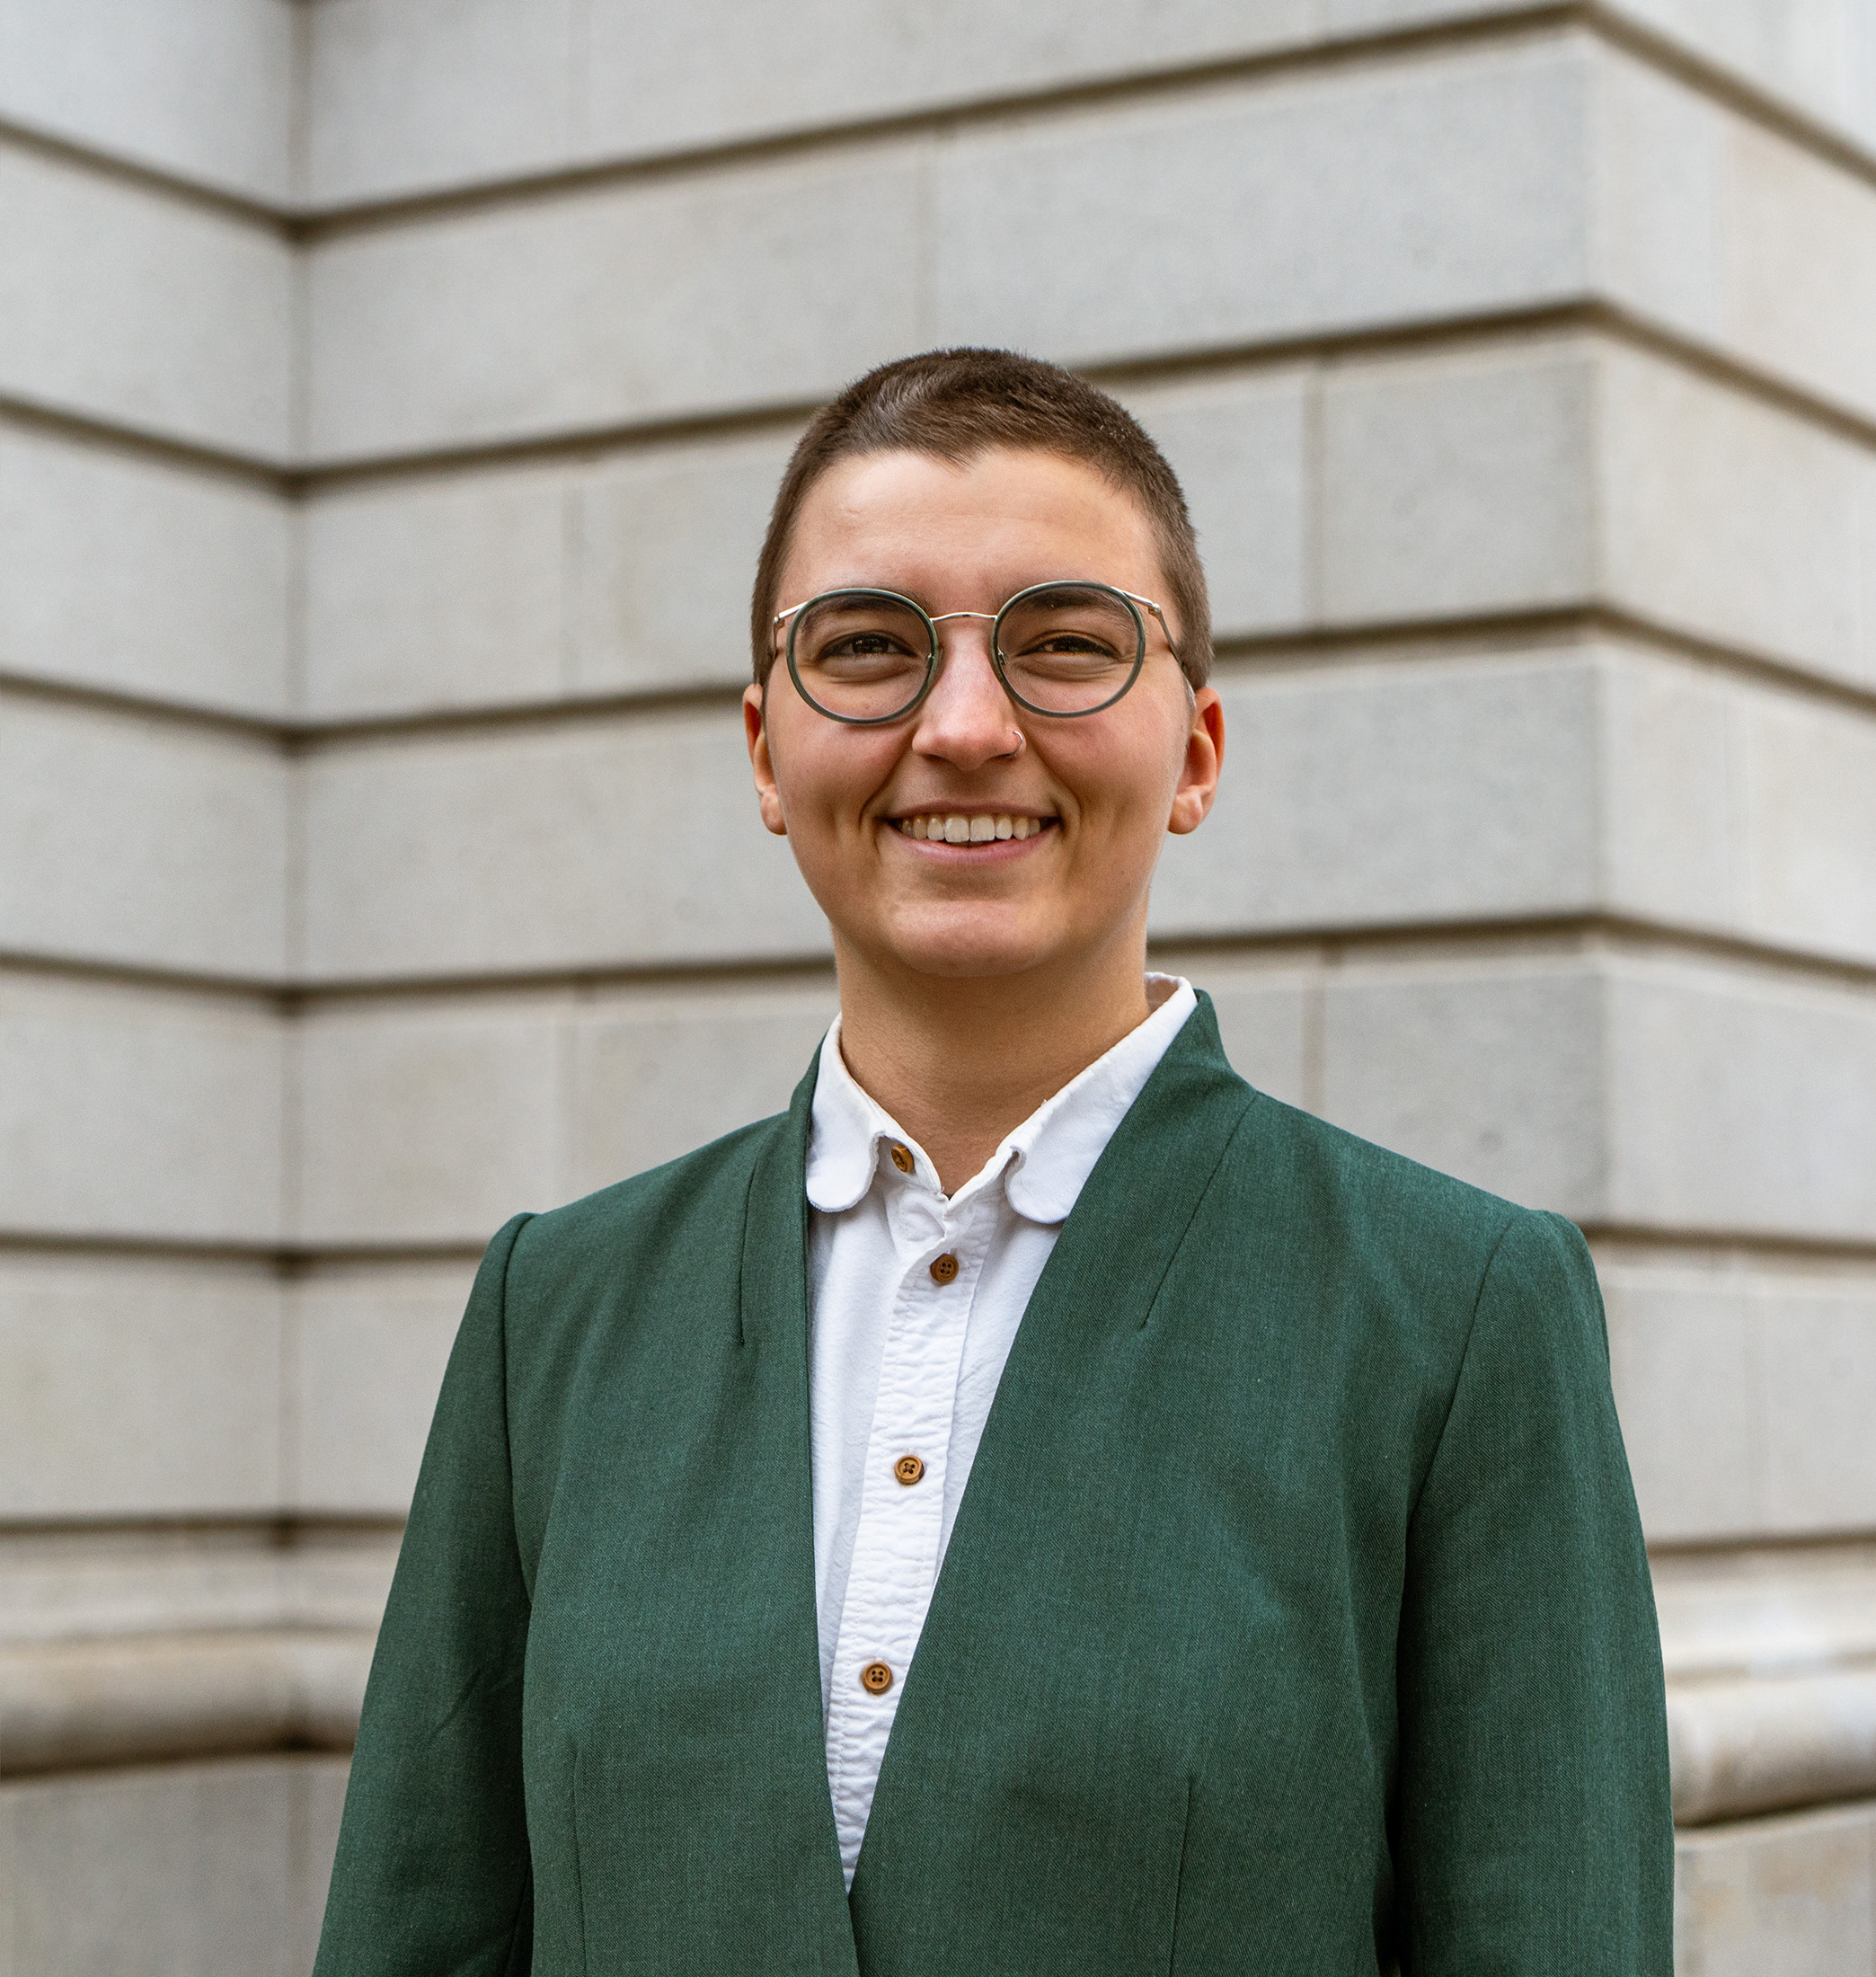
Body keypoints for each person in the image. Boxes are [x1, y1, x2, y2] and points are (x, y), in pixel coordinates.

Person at [314, 348, 1673, 1975]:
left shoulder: (1458, 1316)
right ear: (765, 748)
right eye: (870, 649)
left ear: (1198, 753)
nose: (964, 727)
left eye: (1068, 647)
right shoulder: (561, 1309)